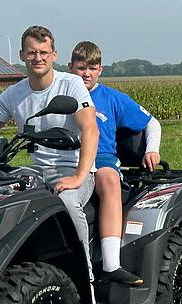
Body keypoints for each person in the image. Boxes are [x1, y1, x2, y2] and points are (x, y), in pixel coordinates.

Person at [0, 26, 100, 297]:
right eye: (32, 52)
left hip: (73, 168)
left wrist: (79, 177)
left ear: (54, 55)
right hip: (36, 169)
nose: (38, 57)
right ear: (22, 55)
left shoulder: (70, 85)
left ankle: (86, 275)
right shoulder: (15, 93)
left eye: (44, 52)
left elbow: (90, 129)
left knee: (69, 203)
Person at [68, 41, 162, 286]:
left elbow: (152, 123)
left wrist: (151, 150)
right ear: (70, 68)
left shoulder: (111, 98)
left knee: (109, 180)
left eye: (92, 68)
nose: (86, 73)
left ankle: (111, 264)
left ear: (100, 69)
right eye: (80, 68)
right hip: (67, 159)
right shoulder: (60, 95)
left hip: (102, 159)